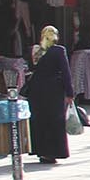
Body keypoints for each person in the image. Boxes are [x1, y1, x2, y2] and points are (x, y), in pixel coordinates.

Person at [22, 25, 74, 164]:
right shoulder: (58, 51)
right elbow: (65, 72)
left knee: (39, 120)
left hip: (36, 90)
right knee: (54, 120)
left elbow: (31, 69)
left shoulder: (34, 50)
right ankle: (52, 152)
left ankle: (40, 151)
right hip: (53, 90)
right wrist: (70, 92)